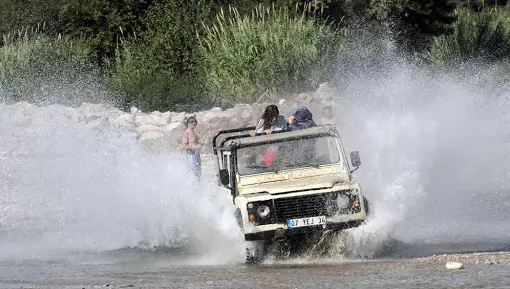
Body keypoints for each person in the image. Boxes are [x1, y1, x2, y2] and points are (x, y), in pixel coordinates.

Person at [181, 115, 201, 180]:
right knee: (193, 173)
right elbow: (183, 146)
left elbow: (195, 143)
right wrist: (193, 147)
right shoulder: (186, 132)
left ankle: (198, 188)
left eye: (195, 121)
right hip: (191, 155)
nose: (193, 123)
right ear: (188, 123)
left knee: (198, 173)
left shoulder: (193, 132)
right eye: (191, 122)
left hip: (196, 154)